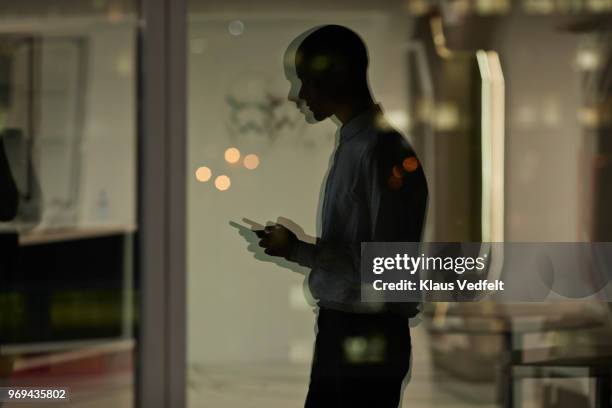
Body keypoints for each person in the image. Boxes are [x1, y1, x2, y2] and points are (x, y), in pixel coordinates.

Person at [250, 25, 428, 407]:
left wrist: (298, 250)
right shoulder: (362, 145)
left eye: (307, 81)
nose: (297, 95)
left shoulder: (379, 151)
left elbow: (386, 268)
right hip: (350, 331)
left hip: (364, 336)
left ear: (337, 77)